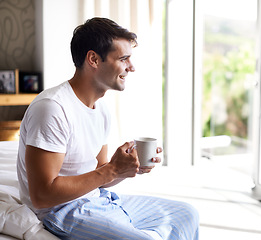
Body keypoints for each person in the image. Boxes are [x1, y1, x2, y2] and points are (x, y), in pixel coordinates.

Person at [17, 17, 199, 240]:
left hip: (98, 198)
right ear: (93, 59)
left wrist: (128, 167)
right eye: (123, 59)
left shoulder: (100, 108)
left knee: (186, 214)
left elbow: (100, 171)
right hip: (61, 211)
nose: (131, 67)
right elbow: (42, 195)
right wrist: (112, 169)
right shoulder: (52, 108)